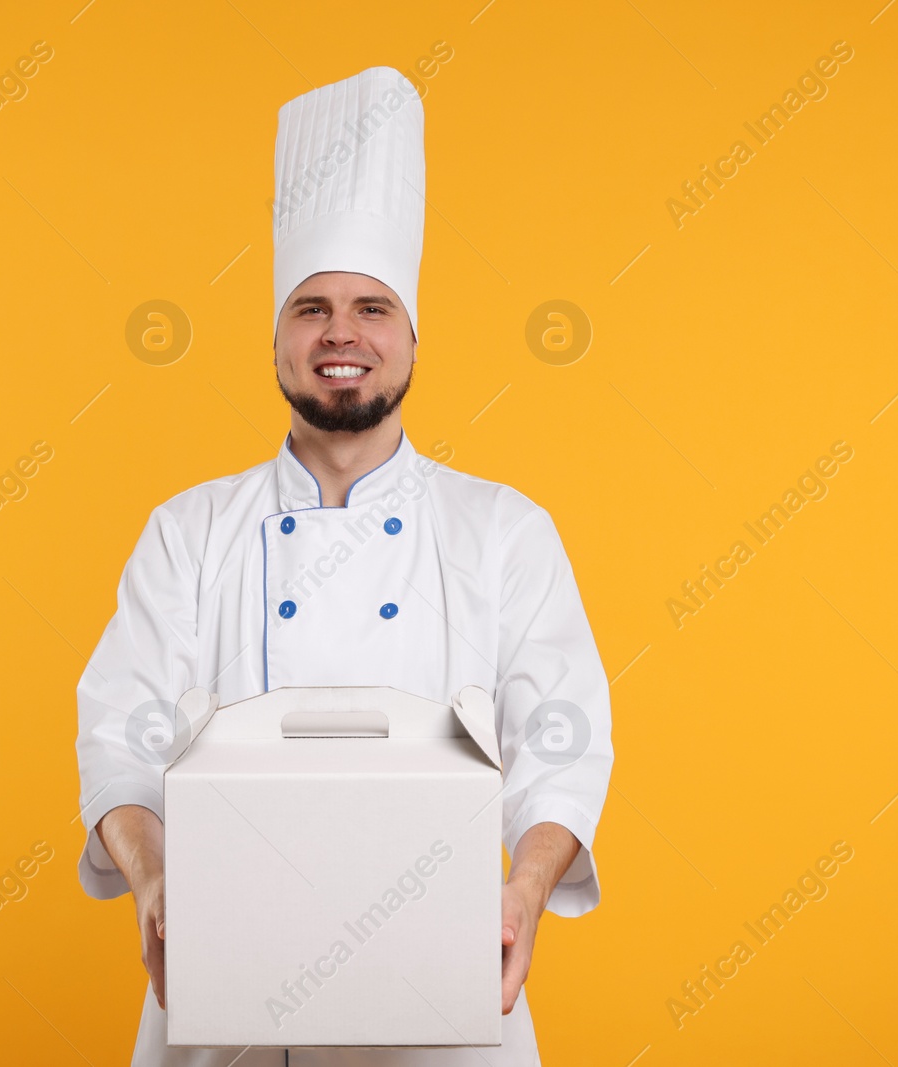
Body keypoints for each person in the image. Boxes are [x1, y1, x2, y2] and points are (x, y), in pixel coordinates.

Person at [76, 65, 613, 1066]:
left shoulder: (502, 530)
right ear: (276, 336)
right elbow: (118, 731)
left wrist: (524, 890)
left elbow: (563, 741)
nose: (341, 333)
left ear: (412, 336)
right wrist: (153, 882)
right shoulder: (188, 531)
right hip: (217, 998)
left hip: (448, 1003)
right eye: (310, 306)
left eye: (371, 306)